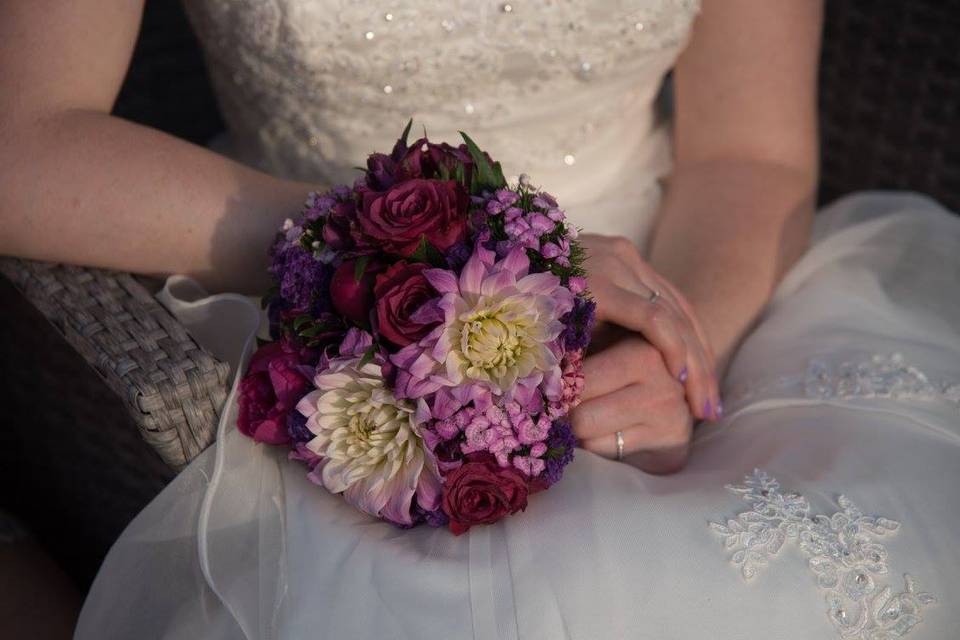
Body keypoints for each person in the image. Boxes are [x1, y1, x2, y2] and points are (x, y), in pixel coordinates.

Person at [1, 1, 957, 638]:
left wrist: (675, 341)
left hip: (683, 271)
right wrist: (418, 238)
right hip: (322, 302)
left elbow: (749, 155)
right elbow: (22, 145)